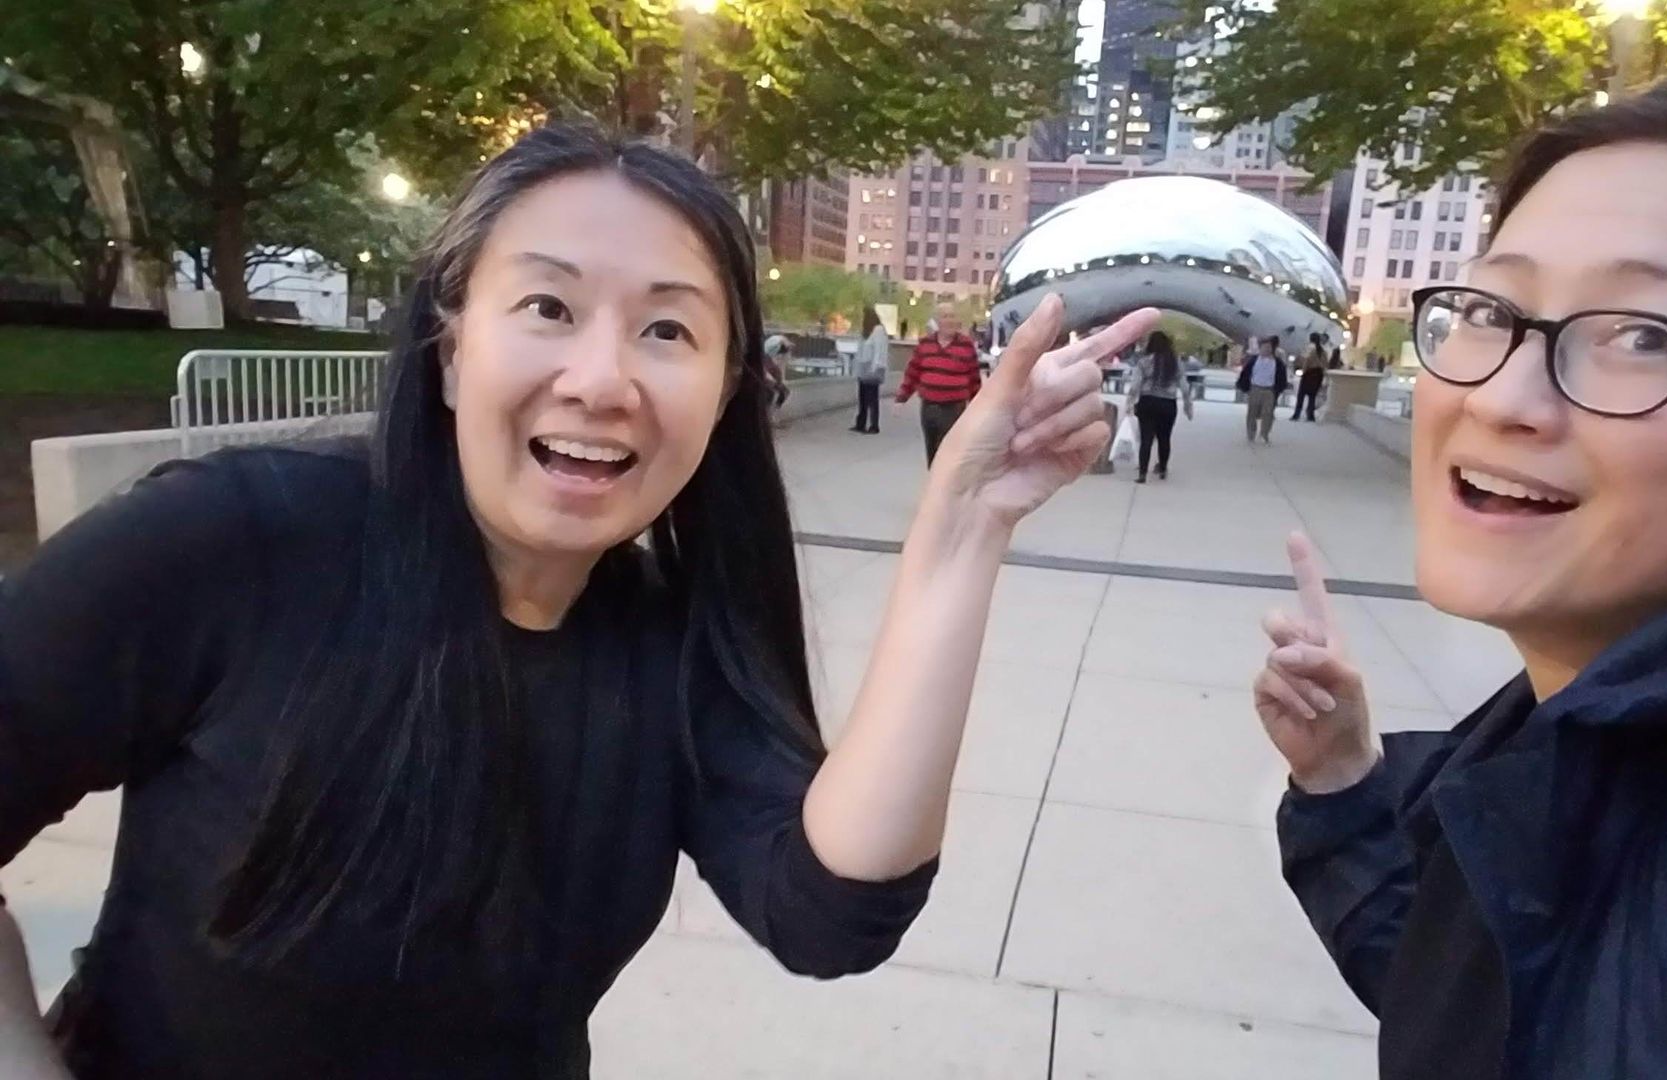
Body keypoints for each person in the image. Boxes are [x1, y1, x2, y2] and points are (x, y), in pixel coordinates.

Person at [0, 124, 1160, 1079]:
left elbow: (829, 914)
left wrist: (959, 535)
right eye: (549, 309)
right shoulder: (228, 542)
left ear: (724, 392)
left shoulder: (669, 633)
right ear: (452, 350)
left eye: (667, 330)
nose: (601, 381)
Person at [1254, 71, 1667, 1079]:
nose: (1506, 397)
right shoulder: (1550, 739)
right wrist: (1344, 786)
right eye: (1491, 309)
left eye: (1643, 336)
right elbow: (1512, 1008)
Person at [895, 301, 981, 466]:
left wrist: (978, 407)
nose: (949, 320)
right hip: (929, 407)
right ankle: (935, 484)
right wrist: (901, 398)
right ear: (937, 321)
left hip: (954, 408)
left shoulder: (966, 345)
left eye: (952, 316)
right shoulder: (925, 344)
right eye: (945, 316)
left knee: (948, 452)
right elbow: (913, 372)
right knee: (932, 450)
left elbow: (974, 378)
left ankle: (945, 486)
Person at [1124, 330, 1195, 484]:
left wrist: (1129, 402)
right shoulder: (1175, 362)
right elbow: (1184, 386)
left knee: (1146, 439)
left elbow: (1135, 385)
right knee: (1165, 438)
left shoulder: (1144, 362)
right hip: (1168, 403)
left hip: (1147, 402)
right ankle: (1162, 468)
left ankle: (1142, 473)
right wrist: (1188, 406)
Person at [1236, 336, 1286, 443]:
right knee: (1252, 413)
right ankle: (1251, 433)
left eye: (1269, 347)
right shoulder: (1253, 360)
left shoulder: (1277, 363)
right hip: (1255, 389)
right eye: (1264, 347)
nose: (1266, 349)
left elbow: (1282, 377)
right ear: (1260, 348)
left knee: (1267, 413)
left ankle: (1264, 433)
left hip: (1269, 390)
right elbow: (1245, 374)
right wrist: (1244, 386)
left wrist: (1278, 389)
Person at [850, 308, 889, 434]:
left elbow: (879, 350)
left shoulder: (878, 330)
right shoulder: (865, 332)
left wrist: (876, 367)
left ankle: (874, 425)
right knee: (863, 397)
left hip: (872, 368)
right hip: (864, 368)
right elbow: (860, 350)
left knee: (872, 398)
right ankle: (860, 423)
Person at [1292, 332, 1329, 421]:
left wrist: (1303, 371)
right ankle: (1310, 415)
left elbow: (1306, 361)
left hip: (1309, 373)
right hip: (1318, 374)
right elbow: (1325, 364)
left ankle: (1296, 414)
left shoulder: (1309, 348)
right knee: (1312, 396)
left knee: (1301, 395)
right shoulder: (1323, 351)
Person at [762, 333, 792, 408]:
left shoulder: (775, 342)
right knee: (773, 382)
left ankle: (777, 400)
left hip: (767, 357)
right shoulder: (776, 343)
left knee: (775, 377)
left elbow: (781, 365)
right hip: (765, 358)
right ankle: (772, 404)